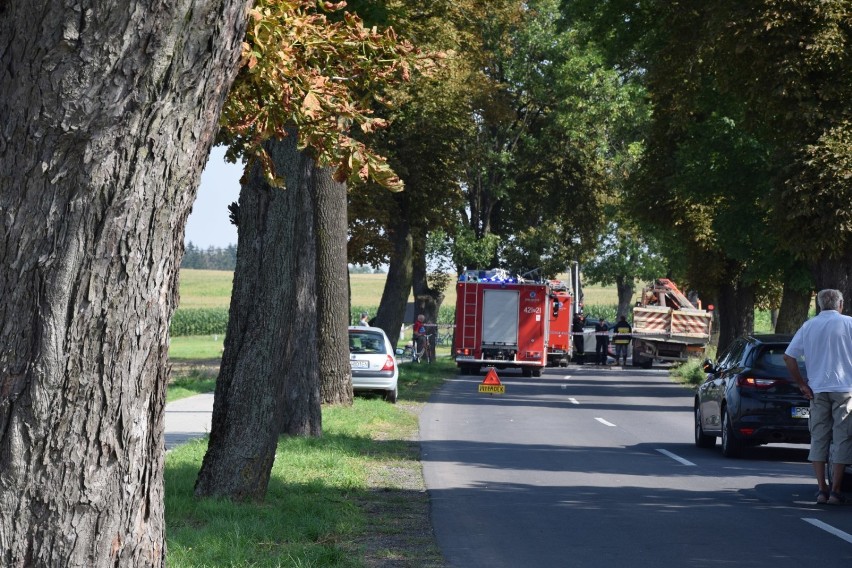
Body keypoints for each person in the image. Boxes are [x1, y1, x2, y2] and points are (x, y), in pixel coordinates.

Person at [783, 289, 852, 505]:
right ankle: (836, 490)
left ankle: (821, 489)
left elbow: (788, 357)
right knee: (843, 438)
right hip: (845, 389)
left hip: (818, 389)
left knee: (819, 437)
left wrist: (802, 384)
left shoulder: (809, 326)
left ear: (819, 305)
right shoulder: (849, 323)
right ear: (840, 304)